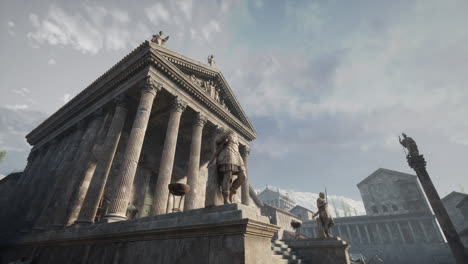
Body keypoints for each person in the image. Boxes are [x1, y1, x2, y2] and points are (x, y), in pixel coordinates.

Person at [212, 130, 246, 204]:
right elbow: (217, 141)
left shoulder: (236, 136)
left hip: (237, 154)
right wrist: (224, 138)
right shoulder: (226, 133)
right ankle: (226, 199)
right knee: (228, 176)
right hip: (228, 153)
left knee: (243, 176)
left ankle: (231, 192)